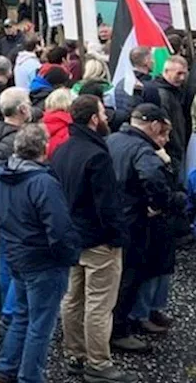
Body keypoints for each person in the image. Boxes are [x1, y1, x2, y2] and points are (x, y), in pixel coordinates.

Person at [50, 95, 135, 383]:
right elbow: (107, 205)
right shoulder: (97, 155)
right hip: (99, 241)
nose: (107, 117)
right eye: (102, 112)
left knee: (72, 299)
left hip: (72, 238)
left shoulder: (61, 150)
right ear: (93, 119)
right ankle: (98, 363)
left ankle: (75, 354)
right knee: (99, 303)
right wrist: (117, 237)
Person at [0, 124, 80, 383]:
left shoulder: (1, 177)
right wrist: (68, 256)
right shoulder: (43, 182)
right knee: (41, 324)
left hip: (17, 254)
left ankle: (6, 369)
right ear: (44, 147)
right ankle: (30, 376)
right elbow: (59, 228)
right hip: (43, 261)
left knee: (22, 315)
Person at [106, 104, 180, 351]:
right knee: (129, 276)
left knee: (111, 279)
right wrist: (160, 204)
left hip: (111, 217)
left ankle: (112, 325)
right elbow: (154, 180)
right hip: (133, 220)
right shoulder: (143, 150)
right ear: (155, 125)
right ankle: (119, 330)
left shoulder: (112, 139)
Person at [142, 55, 189, 172]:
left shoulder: (176, 91)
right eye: (178, 73)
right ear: (166, 71)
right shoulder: (162, 95)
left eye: (184, 73)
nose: (182, 78)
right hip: (171, 150)